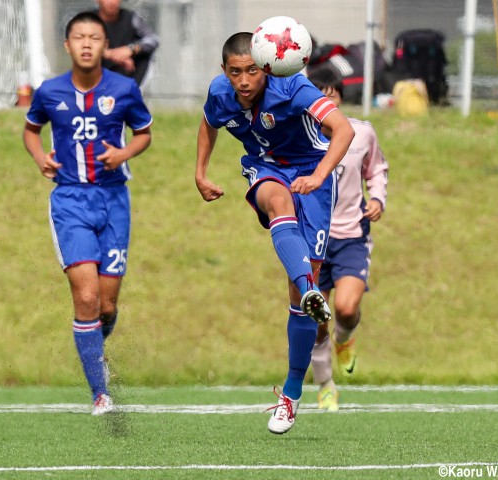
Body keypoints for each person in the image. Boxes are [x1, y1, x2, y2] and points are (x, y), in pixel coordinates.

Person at [195, 32, 355, 434]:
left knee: (296, 300)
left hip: (311, 171)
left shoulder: (292, 86)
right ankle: (310, 288)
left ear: (265, 66)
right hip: (266, 167)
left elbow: (344, 130)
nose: (244, 80)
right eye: (236, 72)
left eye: (252, 70)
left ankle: (292, 393)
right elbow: (208, 123)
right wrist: (200, 172)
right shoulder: (219, 92)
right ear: (224, 71)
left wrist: (319, 176)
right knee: (275, 201)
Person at [22, 11, 153, 415]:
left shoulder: (125, 88)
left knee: (107, 306)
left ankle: (97, 352)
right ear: (67, 45)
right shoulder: (49, 91)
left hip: (114, 202)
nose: (86, 43)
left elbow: (144, 133)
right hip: (71, 201)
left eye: (94, 37)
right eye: (78, 36)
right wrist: (39, 155)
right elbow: (31, 130)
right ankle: (101, 393)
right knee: (87, 296)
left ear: (103, 45)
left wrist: (125, 152)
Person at [307, 73, 389, 412]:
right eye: (318, 97)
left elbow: (377, 169)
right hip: (312, 236)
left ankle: (344, 340)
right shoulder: (300, 136)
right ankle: (325, 383)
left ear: (339, 98)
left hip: (352, 234)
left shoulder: (362, 132)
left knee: (345, 308)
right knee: (315, 317)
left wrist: (378, 199)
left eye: (332, 96)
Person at [97, 0, 159, 87]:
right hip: (97, 75)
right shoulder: (87, 19)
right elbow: (76, 44)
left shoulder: (131, 18)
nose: (111, 2)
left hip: (128, 75)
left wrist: (131, 49)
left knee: (146, 54)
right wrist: (111, 55)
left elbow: (153, 39)